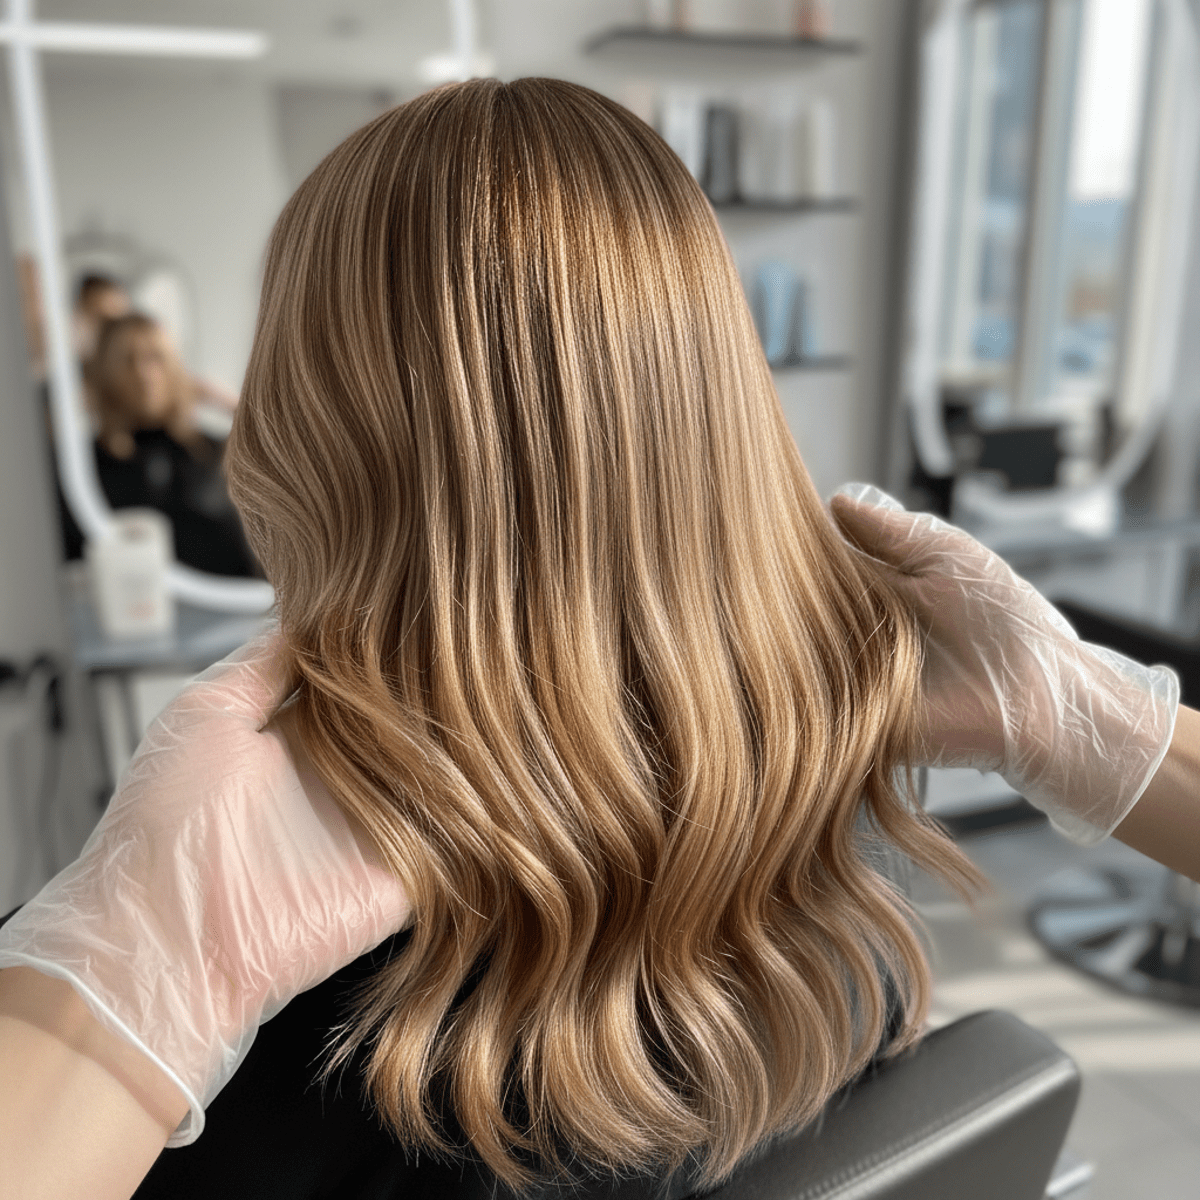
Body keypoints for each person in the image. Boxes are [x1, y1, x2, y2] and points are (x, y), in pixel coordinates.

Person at [0, 78, 1194, 1200]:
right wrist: (1112, 740)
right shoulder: (837, 877)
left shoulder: (267, 1050)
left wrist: (106, 1009)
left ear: (304, 433)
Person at [59, 312, 261, 577]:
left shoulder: (216, 451)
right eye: (128, 362)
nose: (144, 374)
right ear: (106, 375)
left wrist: (224, 400)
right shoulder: (84, 469)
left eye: (155, 358)